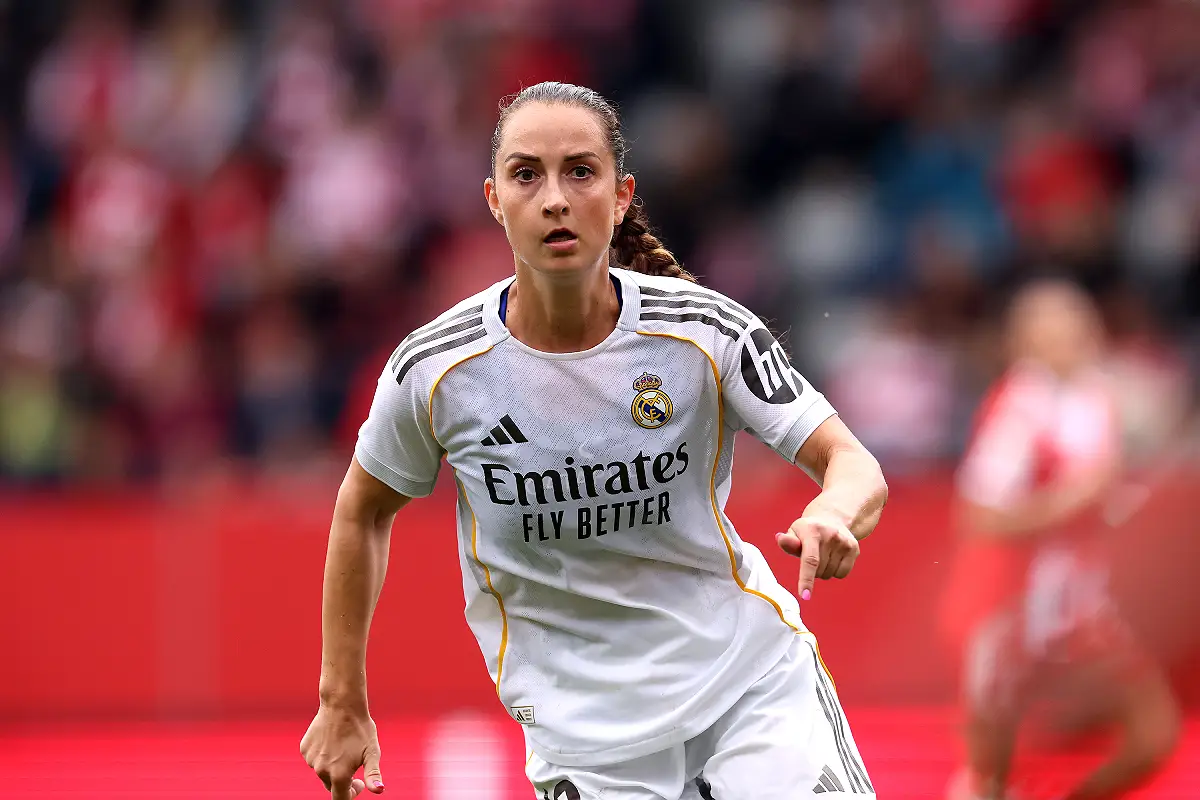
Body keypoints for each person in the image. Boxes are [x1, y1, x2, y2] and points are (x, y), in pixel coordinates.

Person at [301, 81, 888, 800]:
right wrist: (340, 699)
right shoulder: (436, 370)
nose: (554, 198)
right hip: (586, 746)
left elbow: (852, 463)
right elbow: (362, 511)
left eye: (580, 171)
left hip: (750, 692)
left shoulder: (706, 331)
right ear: (494, 199)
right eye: (527, 174)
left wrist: (834, 509)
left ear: (620, 195)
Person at [940, 280, 1180, 800]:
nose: (1070, 344)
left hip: (1077, 610)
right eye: (1052, 335)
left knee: (1153, 734)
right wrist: (1072, 500)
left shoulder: (1097, 396)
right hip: (1009, 610)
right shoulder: (1016, 411)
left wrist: (1114, 505)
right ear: (1024, 344)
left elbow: (1097, 497)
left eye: (1077, 330)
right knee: (989, 777)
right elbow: (978, 517)